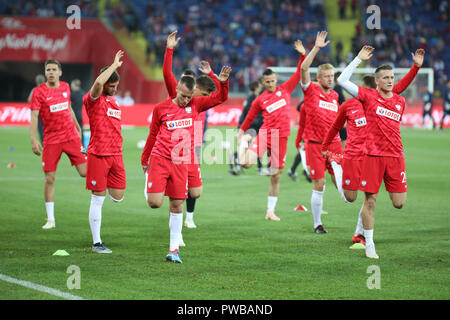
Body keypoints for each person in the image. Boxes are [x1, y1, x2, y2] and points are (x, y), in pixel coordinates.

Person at [322, 49, 424, 246]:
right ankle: (364, 239)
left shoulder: (397, 100)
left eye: (392, 78)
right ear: (374, 84)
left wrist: (416, 67)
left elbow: (400, 87)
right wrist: (358, 59)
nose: (390, 81)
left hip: (391, 156)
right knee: (354, 198)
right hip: (363, 155)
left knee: (398, 203)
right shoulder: (361, 100)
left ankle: (361, 234)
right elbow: (342, 82)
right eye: (385, 78)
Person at [141, 69, 230, 264]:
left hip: (181, 162)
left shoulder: (196, 105)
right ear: (176, 89)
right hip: (160, 159)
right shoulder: (161, 108)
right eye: (182, 96)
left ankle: (174, 250)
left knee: (177, 204)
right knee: (154, 203)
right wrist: (144, 159)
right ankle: (150, 180)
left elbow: (221, 97)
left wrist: (222, 81)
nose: (185, 100)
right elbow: (152, 134)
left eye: (189, 97)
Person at [158, 31, 222, 232]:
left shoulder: (202, 102)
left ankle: (189, 217)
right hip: (174, 150)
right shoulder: (178, 98)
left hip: (193, 148)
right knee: (178, 192)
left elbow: (220, 95)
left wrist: (213, 75)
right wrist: (169, 50)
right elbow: (167, 74)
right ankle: (176, 229)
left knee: (194, 191)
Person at [237, 39, 306, 222]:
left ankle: (270, 211)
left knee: (275, 176)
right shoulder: (259, 100)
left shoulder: (285, 89)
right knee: (246, 164)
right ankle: (243, 146)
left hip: (281, 138)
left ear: (276, 80)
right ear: (262, 82)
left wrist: (302, 55)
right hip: (266, 135)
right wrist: (241, 132)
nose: (270, 84)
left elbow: (299, 73)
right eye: (267, 82)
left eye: (272, 81)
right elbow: (250, 117)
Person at [29, 60, 87, 230]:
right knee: (49, 179)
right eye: (48, 70)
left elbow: (68, 108)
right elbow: (34, 116)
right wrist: (33, 138)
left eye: (54, 69)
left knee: (85, 172)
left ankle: (108, 179)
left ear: (60, 72)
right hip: (51, 140)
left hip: (71, 137)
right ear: (45, 73)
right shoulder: (39, 92)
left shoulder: (65, 87)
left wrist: (77, 127)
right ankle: (51, 219)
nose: (51, 72)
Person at [299, 31, 343, 234]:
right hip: (315, 145)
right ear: (318, 78)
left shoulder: (335, 96)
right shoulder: (311, 90)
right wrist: (316, 48)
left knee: (342, 186)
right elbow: (304, 67)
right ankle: (317, 224)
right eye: (326, 76)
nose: (330, 79)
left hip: (334, 144)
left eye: (332, 76)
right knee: (319, 183)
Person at [83, 50, 126, 254]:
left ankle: (102, 184)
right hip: (99, 154)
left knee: (117, 197)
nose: (115, 89)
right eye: (112, 86)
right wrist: (114, 65)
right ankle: (97, 243)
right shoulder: (93, 99)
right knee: (97, 198)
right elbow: (99, 85)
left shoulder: (114, 101)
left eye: (117, 86)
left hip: (117, 155)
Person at [229, 80, 266, 176]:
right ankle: (259, 168)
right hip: (251, 127)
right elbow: (249, 115)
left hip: (250, 126)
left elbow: (244, 114)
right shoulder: (252, 99)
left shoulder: (251, 98)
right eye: (259, 86)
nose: (261, 88)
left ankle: (235, 159)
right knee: (255, 147)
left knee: (252, 148)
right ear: (256, 88)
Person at [287, 100, 311, 182]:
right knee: (305, 150)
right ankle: (307, 171)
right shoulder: (309, 98)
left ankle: (295, 169)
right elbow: (299, 108)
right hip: (309, 130)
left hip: (310, 130)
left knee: (304, 151)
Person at [28, 74, 46, 143]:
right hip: (48, 113)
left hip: (38, 113)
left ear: (36, 81)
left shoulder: (34, 90)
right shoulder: (48, 89)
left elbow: (29, 99)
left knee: (41, 130)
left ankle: (44, 145)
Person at [70, 79, 86, 148]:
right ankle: (82, 145)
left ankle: (74, 145)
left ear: (74, 85)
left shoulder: (72, 94)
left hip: (73, 115)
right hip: (81, 115)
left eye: (72, 85)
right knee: (81, 130)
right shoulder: (83, 93)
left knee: (72, 131)